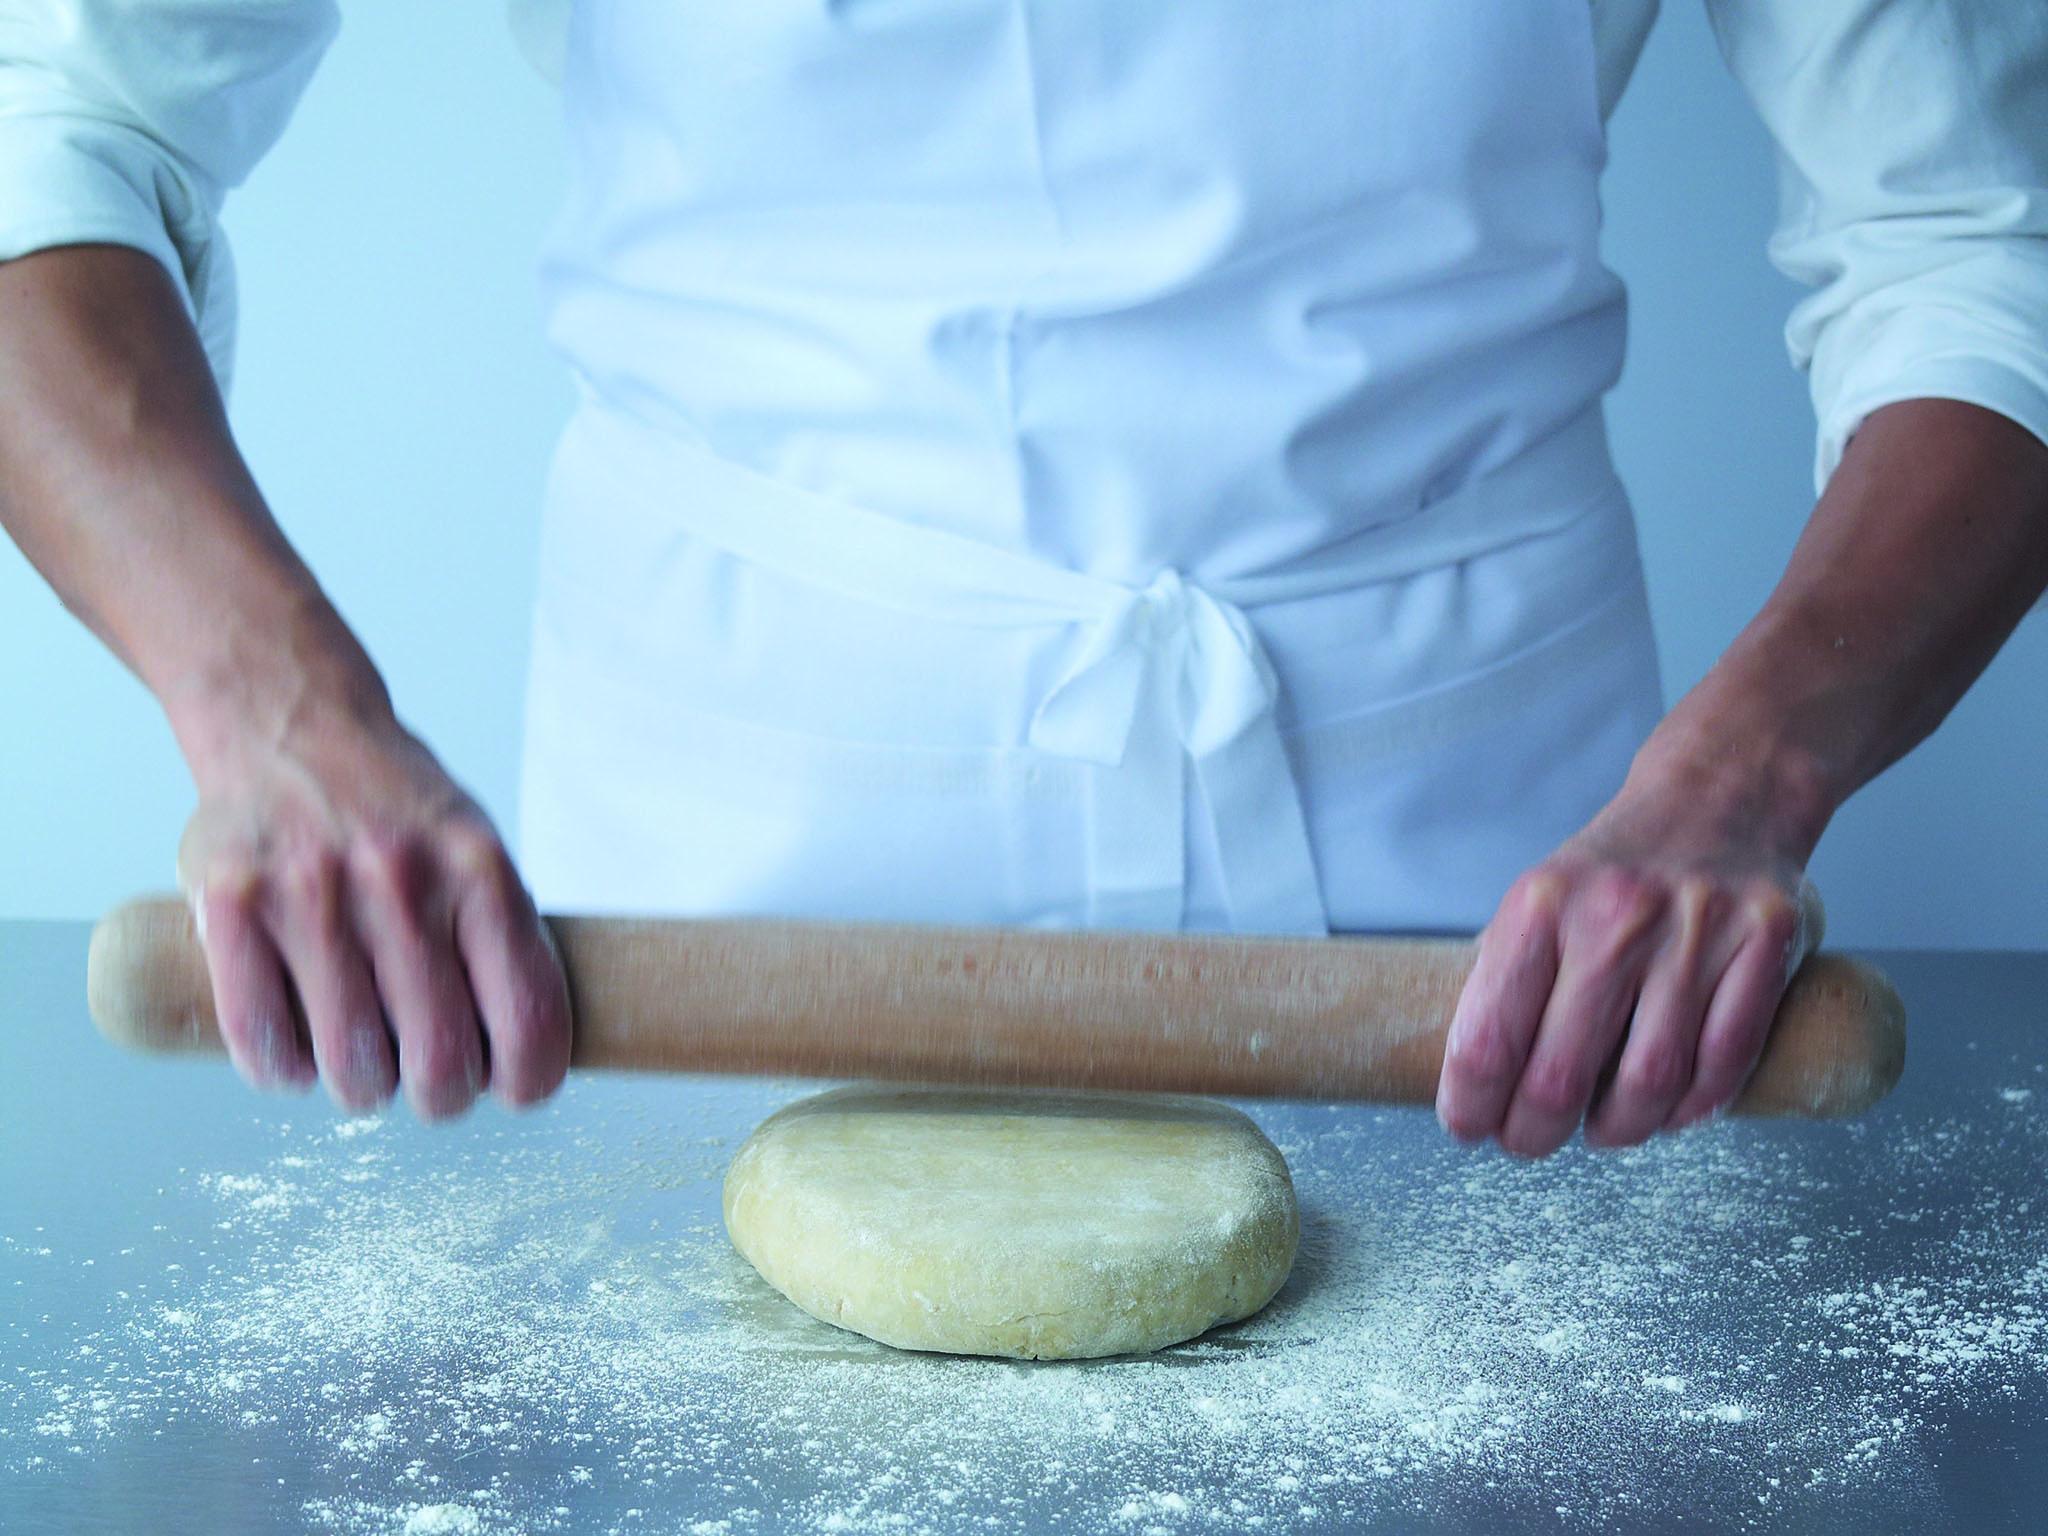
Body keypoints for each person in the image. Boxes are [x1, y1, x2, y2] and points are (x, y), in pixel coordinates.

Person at [3, 2, 2044, 1157]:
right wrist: (267, 705)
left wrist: (1746, 777)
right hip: (680, 973)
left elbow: (1981, 245)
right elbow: (58, 126)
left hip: (1499, 973)